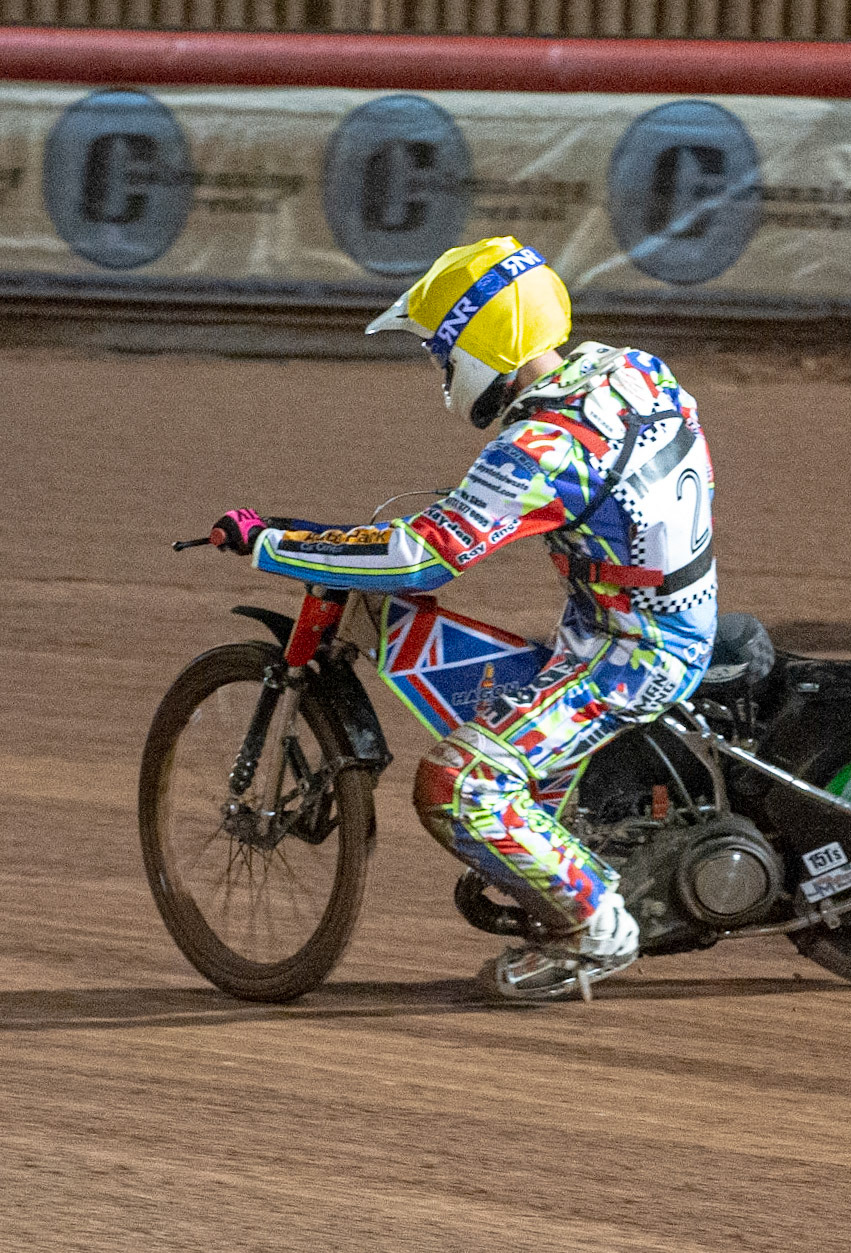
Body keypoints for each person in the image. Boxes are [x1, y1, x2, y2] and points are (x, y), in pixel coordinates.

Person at [209, 236, 718, 1000]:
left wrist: (274, 543)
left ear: (474, 345)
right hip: (656, 613)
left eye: (439, 353)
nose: (440, 372)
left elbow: (423, 557)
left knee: (457, 783)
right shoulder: (631, 369)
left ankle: (598, 925)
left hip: (630, 654)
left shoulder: (543, 448)